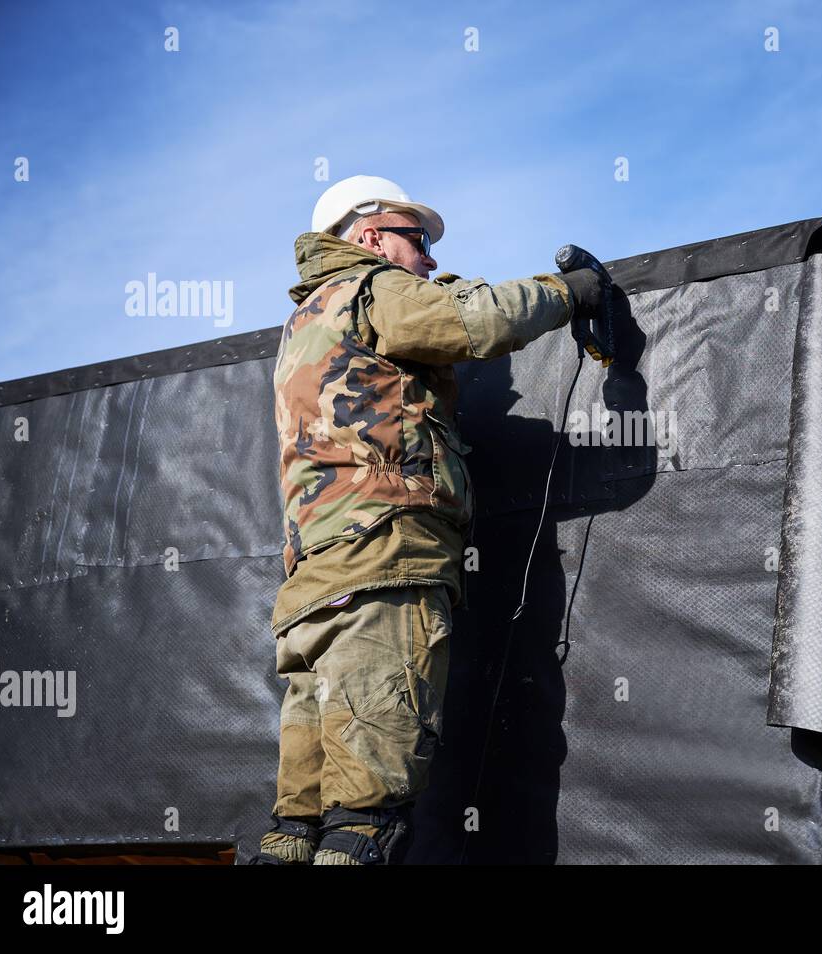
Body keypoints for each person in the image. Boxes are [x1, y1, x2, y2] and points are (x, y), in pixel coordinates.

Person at [253, 175, 604, 864]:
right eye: (417, 241)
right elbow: (475, 323)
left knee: (294, 829)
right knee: (365, 819)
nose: (431, 261)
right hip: (384, 568)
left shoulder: (303, 324)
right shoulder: (372, 288)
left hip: (312, 595)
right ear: (371, 237)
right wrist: (573, 293)